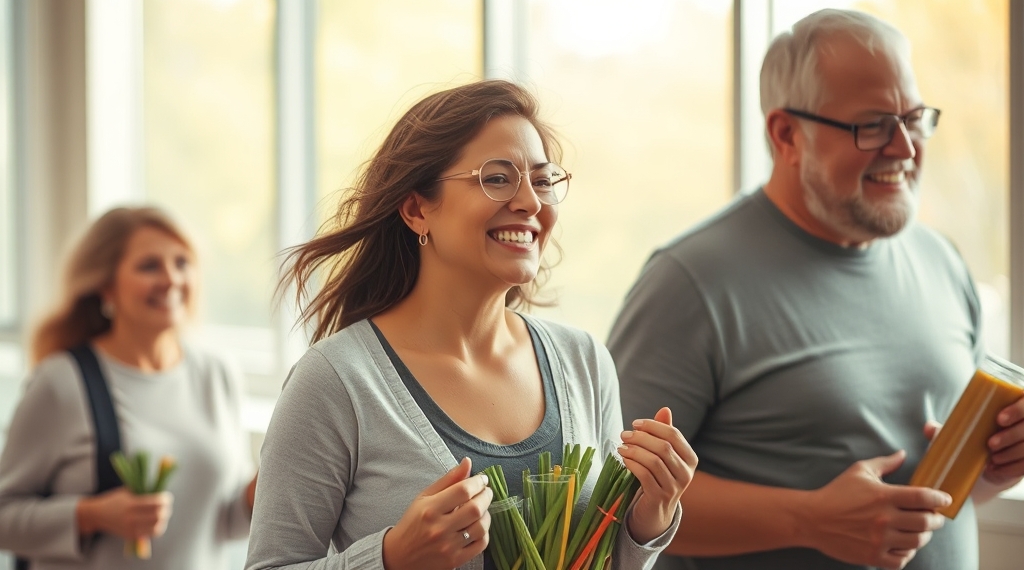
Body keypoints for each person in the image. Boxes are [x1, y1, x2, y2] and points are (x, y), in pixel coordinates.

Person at [608, 8, 1024, 570]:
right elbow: (615, 495)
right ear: (787, 134)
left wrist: (994, 468)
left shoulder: (941, 260)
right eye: (873, 125)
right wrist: (809, 519)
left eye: (914, 118)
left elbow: (941, 499)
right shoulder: (688, 283)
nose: (905, 148)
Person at [244, 79, 698, 570]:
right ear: (417, 209)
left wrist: (648, 518)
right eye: (497, 178)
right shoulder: (334, 381)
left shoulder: (584, 362)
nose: (530, 202)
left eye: (542, 181)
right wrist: (392, 558)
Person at [0, 206, 258, 569]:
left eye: (182, 262)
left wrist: (266, 486)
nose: (171, 279)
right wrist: (91, 515)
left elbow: (226, 520)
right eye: (149, 266)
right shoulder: (61, 382)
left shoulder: (217, 374)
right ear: (106, 285)